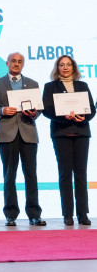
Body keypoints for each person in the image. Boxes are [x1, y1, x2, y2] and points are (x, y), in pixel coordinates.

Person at [0, 52, 46, 226]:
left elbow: (40, 108)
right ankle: (10, 214)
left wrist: (35, 113)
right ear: (7, 63)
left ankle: (34, 214)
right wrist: (1, 111)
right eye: (13, 61)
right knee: (9, 175)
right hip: (7, 133)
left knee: (31, 175)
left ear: (23, 64)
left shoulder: (33, 83)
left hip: (28, 132)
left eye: (20, 61)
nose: (16, 64)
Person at [42, 55, 95, 225]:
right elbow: (47, 110)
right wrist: (65, 117)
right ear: (57, 68)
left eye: (68, 65)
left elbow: (92, 109)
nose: (65, 68)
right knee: (65, 174)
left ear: (74, 67)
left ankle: (83, 213)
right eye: (61, 65)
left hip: (81, 132)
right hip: (61, 133)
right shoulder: (50, 86)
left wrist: (83, 117)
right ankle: (67, 214)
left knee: (81, 174)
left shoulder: (82, 85)